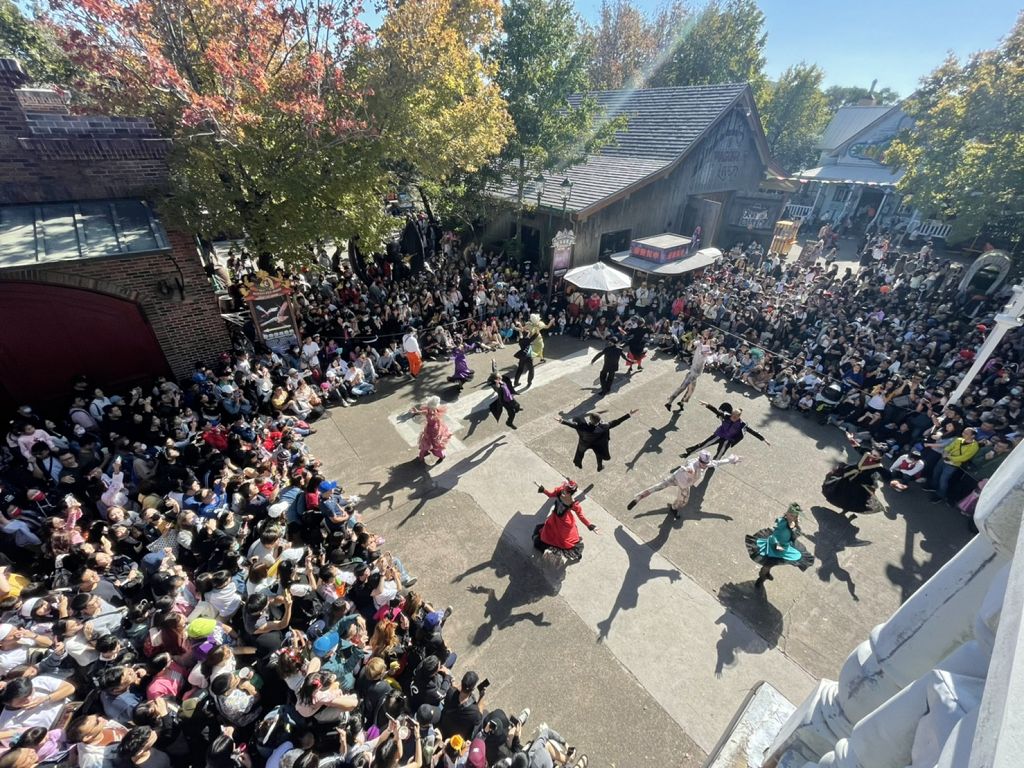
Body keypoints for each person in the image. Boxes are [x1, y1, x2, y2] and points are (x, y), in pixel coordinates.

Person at [626, 450, 740, 517]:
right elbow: (689, 466)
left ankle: (673, 508)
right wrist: (688, 470)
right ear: (699, 459)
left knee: (683, 502)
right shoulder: (692, 463)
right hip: (676, 478)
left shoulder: (706, 464)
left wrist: (730, 460)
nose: (704, 465)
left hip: (684, 485)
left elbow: (717, 462)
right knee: (658, 487)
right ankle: (638, 498)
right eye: (702, 463)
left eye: (706, 463)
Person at [745, 503, 814, 590]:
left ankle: (767, 573)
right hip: (773, 548)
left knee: (774, 563)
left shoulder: (794, 525)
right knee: (767, 565)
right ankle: (761, 579)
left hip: (784, 549)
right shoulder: (782, 523)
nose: (791, 517)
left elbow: (794, 537)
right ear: (787, 513)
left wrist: (793, 529)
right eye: (790, 514)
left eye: (793, 516)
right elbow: (774, 535)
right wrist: (776, 544)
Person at [532, 480, 597, 563]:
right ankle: (545, 545)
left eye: (566, 491)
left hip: (564, 523)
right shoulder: (559, 492)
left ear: (571, 493)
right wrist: (543, 489)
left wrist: (590, 525)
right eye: (564, 489)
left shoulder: (573, 503)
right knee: (547, 533)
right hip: (554, 519)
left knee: (564, 540)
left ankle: (575, 554)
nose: (563, 491)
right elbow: (550, 494)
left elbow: (581, 515)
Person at [556, 409, 637, 472]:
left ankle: (578, 464)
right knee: (599, 455)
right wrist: (629, 414)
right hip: (598, 444)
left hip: (585, 443)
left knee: (580, 452)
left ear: (590, 420)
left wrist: (562, 421)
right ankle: (600, 467)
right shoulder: (605, 426)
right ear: (599, 421)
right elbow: (617, 421)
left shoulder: (584, 427)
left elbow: (573, 425)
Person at [682, 402, 770, 460]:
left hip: (728, 440)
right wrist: (707, 405)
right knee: (704, 444)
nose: (732, 417)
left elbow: (753, 432)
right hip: (719, 435)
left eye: (735, 417)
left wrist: (763, 439)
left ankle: (713, 464)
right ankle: (688, 453)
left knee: (720, 453)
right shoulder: (727, 416)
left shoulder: (742, 425)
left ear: (739, 417)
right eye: (732, 415)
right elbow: (716, 411)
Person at [821, 451, 888, 517]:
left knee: (853, 499)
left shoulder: (879, 467)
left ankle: (846, 509)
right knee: (840, 490)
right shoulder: (866, 455)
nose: (872, 456)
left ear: (880, 457)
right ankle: (844, 507)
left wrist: (892, 480)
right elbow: (859, 449)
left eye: (875, 455)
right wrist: (854, 443)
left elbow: (887, 474)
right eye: (872, 453)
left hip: (860, 483)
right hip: (850, 476)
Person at [665, 337, 713, 412]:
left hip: (694, 376)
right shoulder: (699, 356)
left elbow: (701, 348)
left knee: (690, 391)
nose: (708, 353)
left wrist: (702, 342)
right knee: (682, 389)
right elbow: (697, 347)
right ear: (704, 352)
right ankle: (670, 402)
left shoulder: (703, 356)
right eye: (707, 352)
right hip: (691, 375)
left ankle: (681, 403)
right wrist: (700, 342)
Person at [410, 396, 453, 465]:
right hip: (429, 429)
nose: (429, 408)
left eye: (430, 407)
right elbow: (425, 412)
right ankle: (424, 453)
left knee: (435, 446)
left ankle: (441, 456)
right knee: (425, 443)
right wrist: (417, 411)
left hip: (434, 431)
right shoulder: (429, 410)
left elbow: (436, 420)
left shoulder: (435, 412)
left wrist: (437, 433)